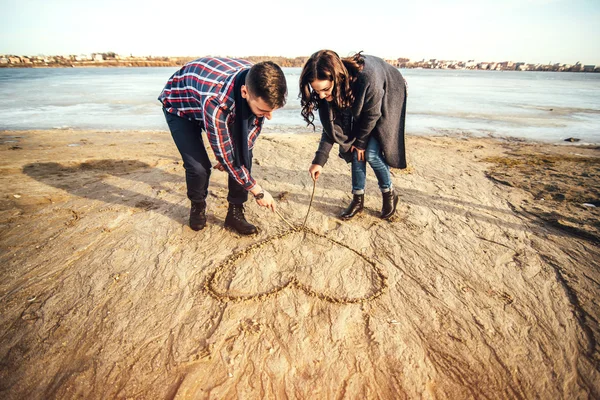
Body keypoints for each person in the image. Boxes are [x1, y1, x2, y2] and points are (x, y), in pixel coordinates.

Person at [159, 57, 287, 235]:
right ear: (244, 92)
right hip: (181, 107)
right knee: (198, 167)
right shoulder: (216, 101)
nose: (269, 116)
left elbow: (249, 136)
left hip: (211, 95)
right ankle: (197, 205)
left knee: (243, 155)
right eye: (264, 111)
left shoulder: (259, 80)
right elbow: (226, 154)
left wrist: (231, 157)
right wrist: (257, 191)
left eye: (272, 110)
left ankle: (235, 212)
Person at [300, 50, 407, 220]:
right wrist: (318, 161)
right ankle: (358, 199)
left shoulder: (367, 78)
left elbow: (372, 114)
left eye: (325, 89)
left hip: (388, 91)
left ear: (336, 77)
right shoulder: (327, 91)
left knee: (370, 153)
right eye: (316, 90)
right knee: (355, 152)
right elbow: (331, 127)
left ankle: (389, 194)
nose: (321, 95)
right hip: (361, 97)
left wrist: (361, 141)